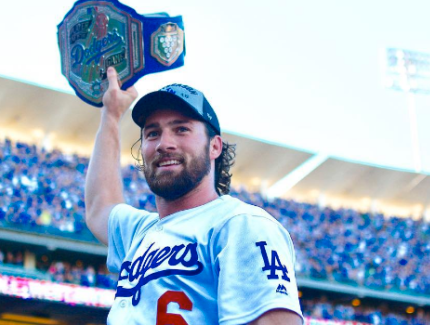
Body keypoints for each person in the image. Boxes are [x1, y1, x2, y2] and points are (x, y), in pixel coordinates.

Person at [85, 67, 303, 325]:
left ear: (214, 146)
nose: (164, 144)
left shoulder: (241, 225)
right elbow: (100, 206)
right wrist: (110, 115)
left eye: (181, 130)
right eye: (153, 133)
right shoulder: (140, 232)